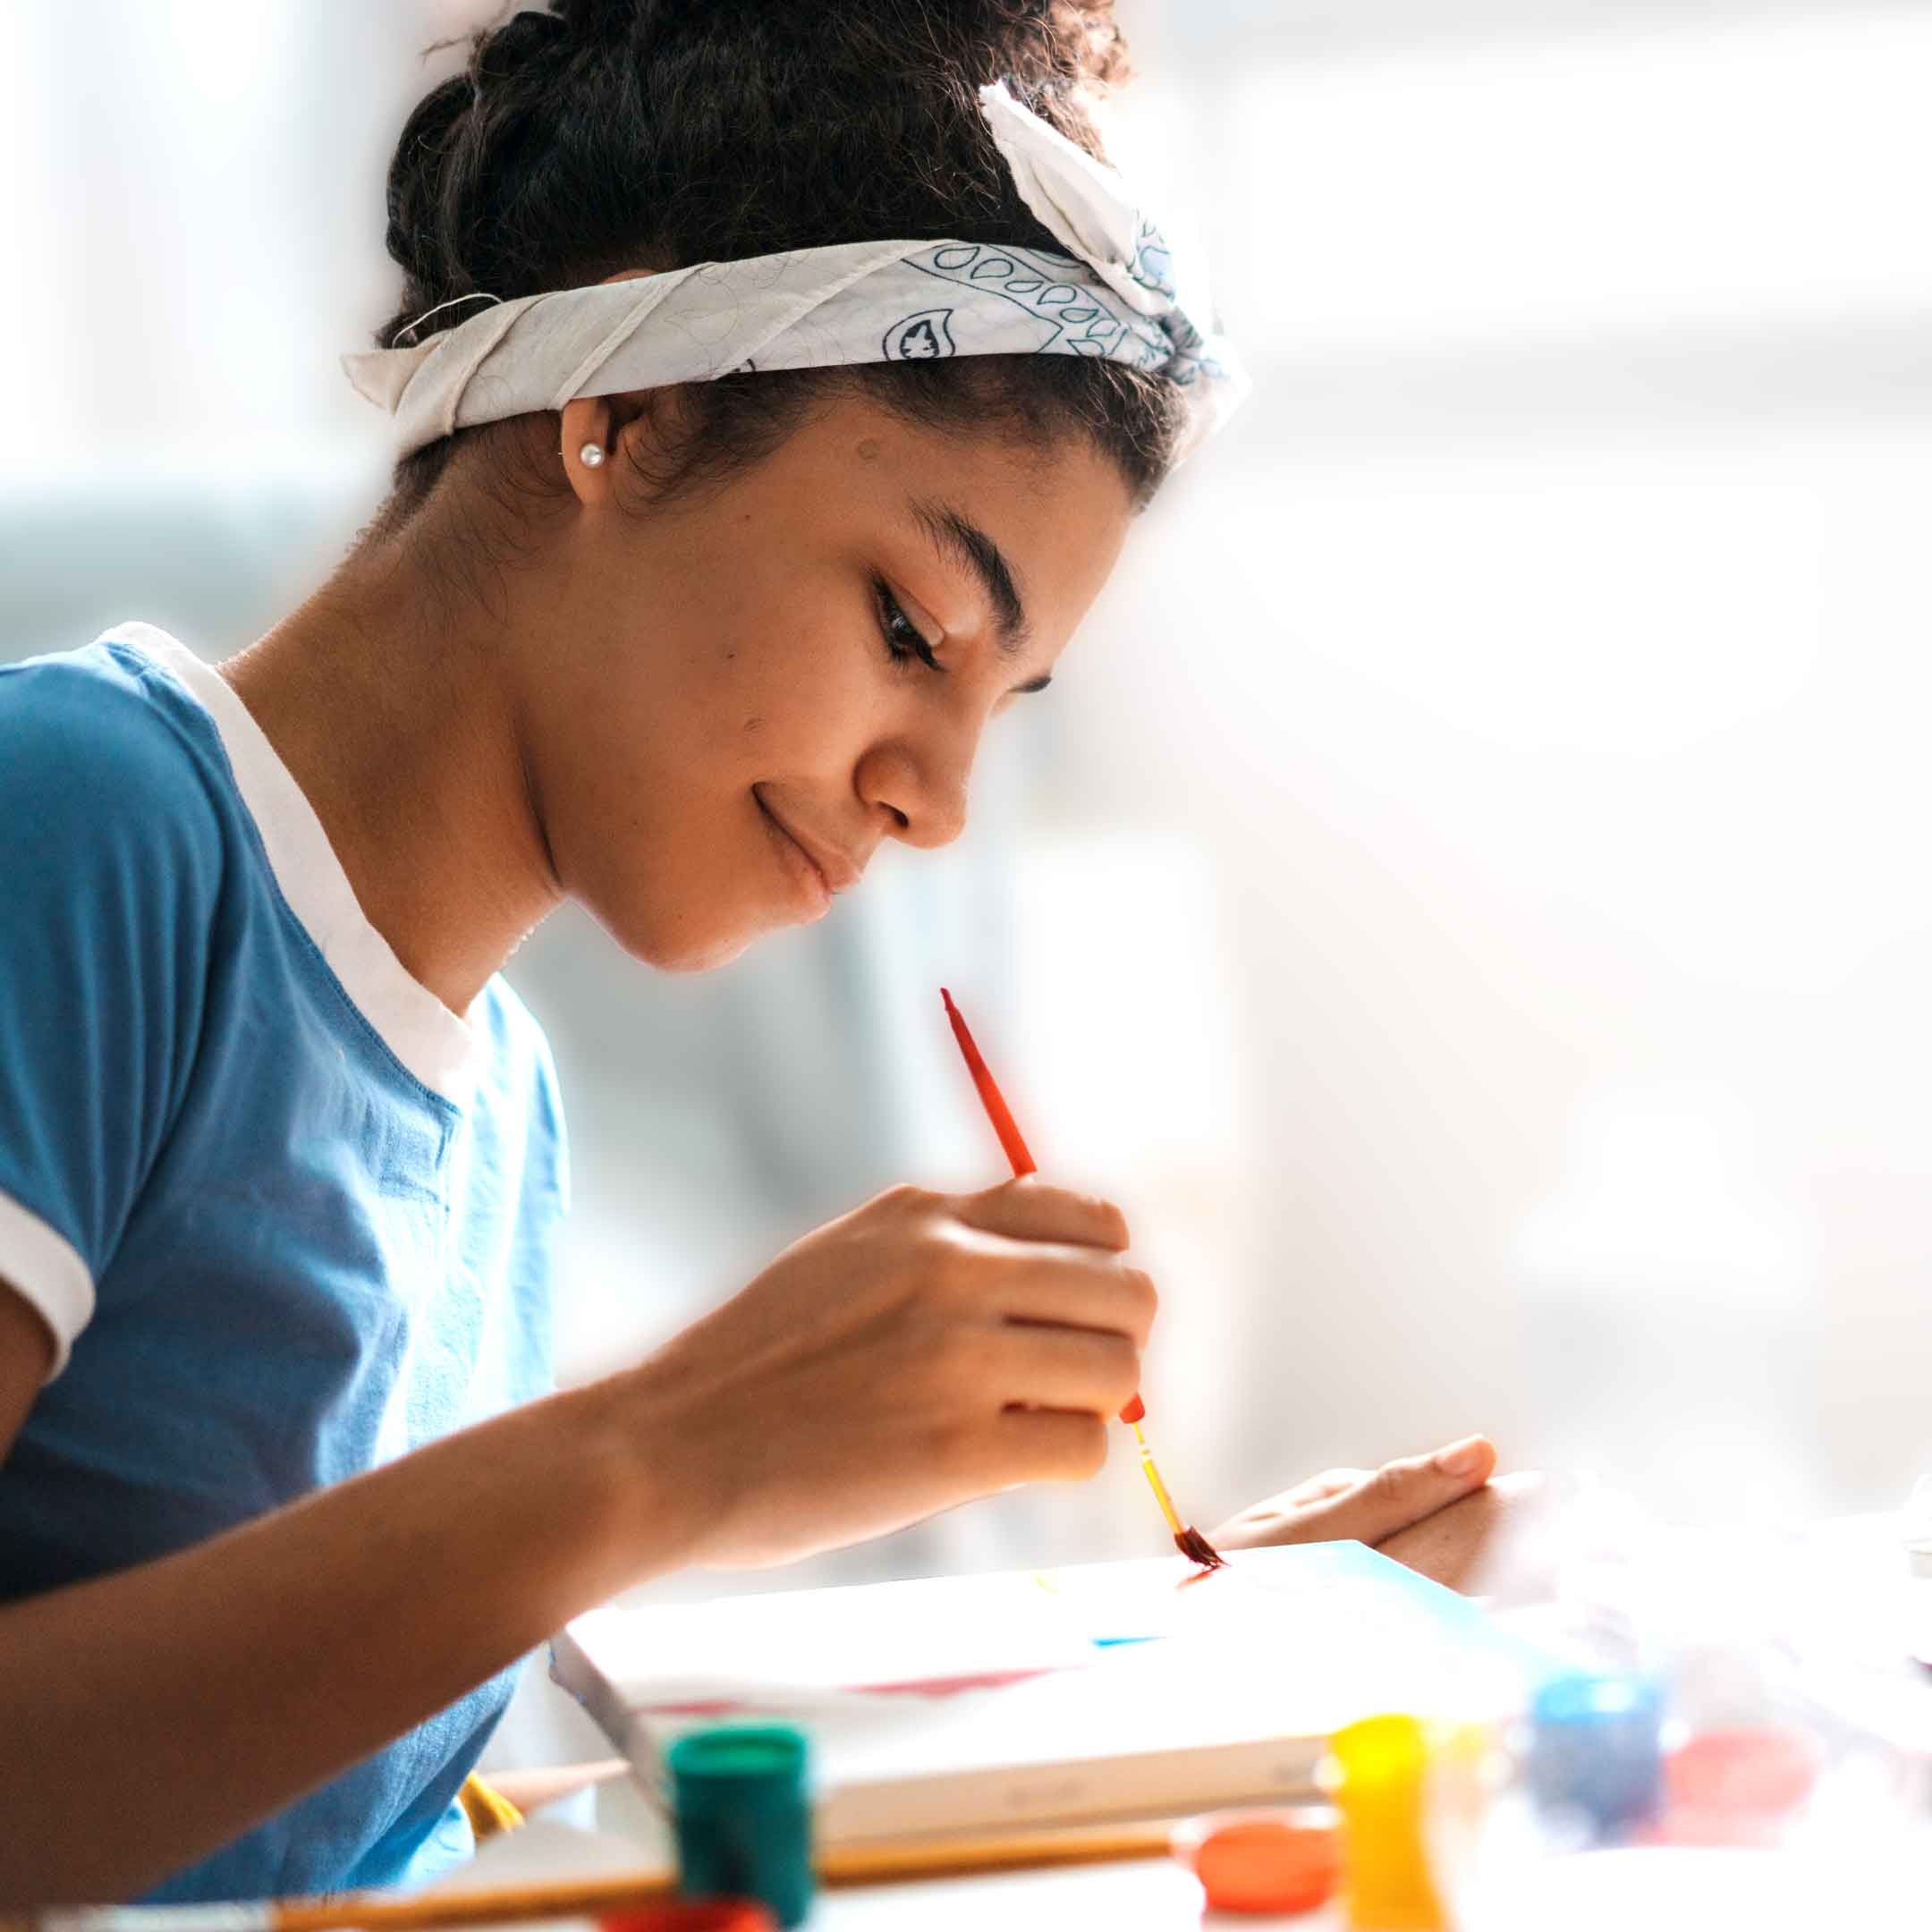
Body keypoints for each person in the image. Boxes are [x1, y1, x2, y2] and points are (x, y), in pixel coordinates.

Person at [0, 0, 1508, 1906]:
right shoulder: (72, 825)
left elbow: (326, 1819)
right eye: (908, 623)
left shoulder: (497, 1111)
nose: (938, 799)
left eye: (1004, 700)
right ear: (622, 409)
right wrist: (663, 1454)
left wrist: (1185, 1657)